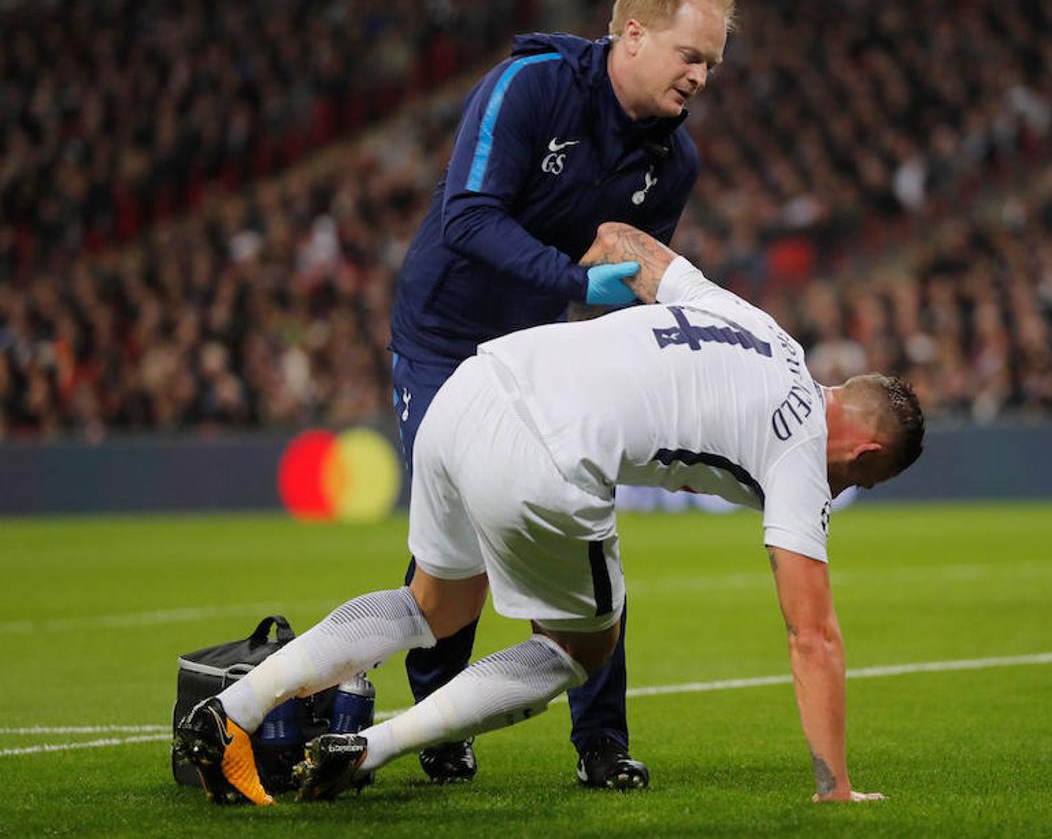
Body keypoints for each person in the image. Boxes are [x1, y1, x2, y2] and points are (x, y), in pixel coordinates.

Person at [173, 222, 925, 806]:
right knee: (582, 648)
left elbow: (620, 242)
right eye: (857, 480)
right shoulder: (802, 444)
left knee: (431, 606)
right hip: (546, 453)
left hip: (477, 383)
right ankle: (370, 748)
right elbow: (812, 636)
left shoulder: (759, 327)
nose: (832, 493)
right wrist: (834, 787)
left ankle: (231, 711)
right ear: (862, 456)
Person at [388, 0, 735, 789]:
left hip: (541, 348)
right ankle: (438, 723)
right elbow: (466, 218)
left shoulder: (672, 160)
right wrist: (577, 283)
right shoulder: (528, 86)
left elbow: (635, 284)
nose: (700, 76)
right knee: (464, 543)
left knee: (584, 526)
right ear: (634, 34)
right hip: (443, 338)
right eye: (690, 55)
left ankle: (601, 742)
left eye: (712, 65)